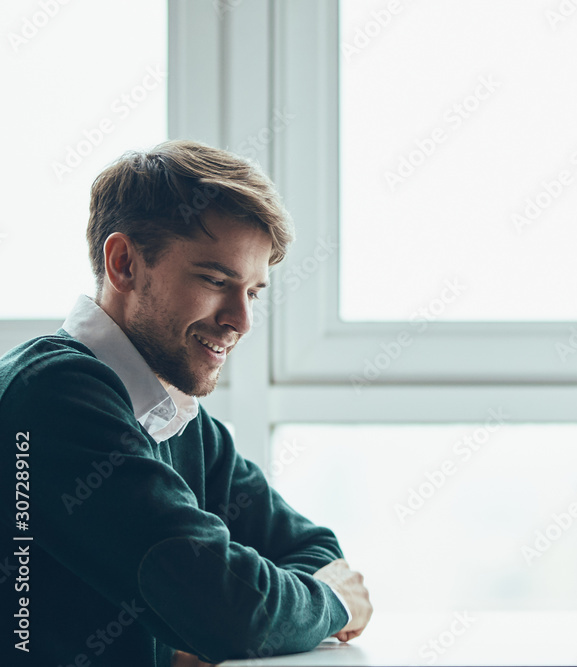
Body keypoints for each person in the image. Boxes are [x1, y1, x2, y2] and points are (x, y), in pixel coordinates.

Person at [0, 141, 372, 666]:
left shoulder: (173, 414)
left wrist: (206, 622)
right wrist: (330, 601)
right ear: (124, 264)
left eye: (253, 292)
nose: (241, 320)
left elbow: (311, 549)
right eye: (216, 280)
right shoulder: (54, 396)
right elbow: (231, 611)